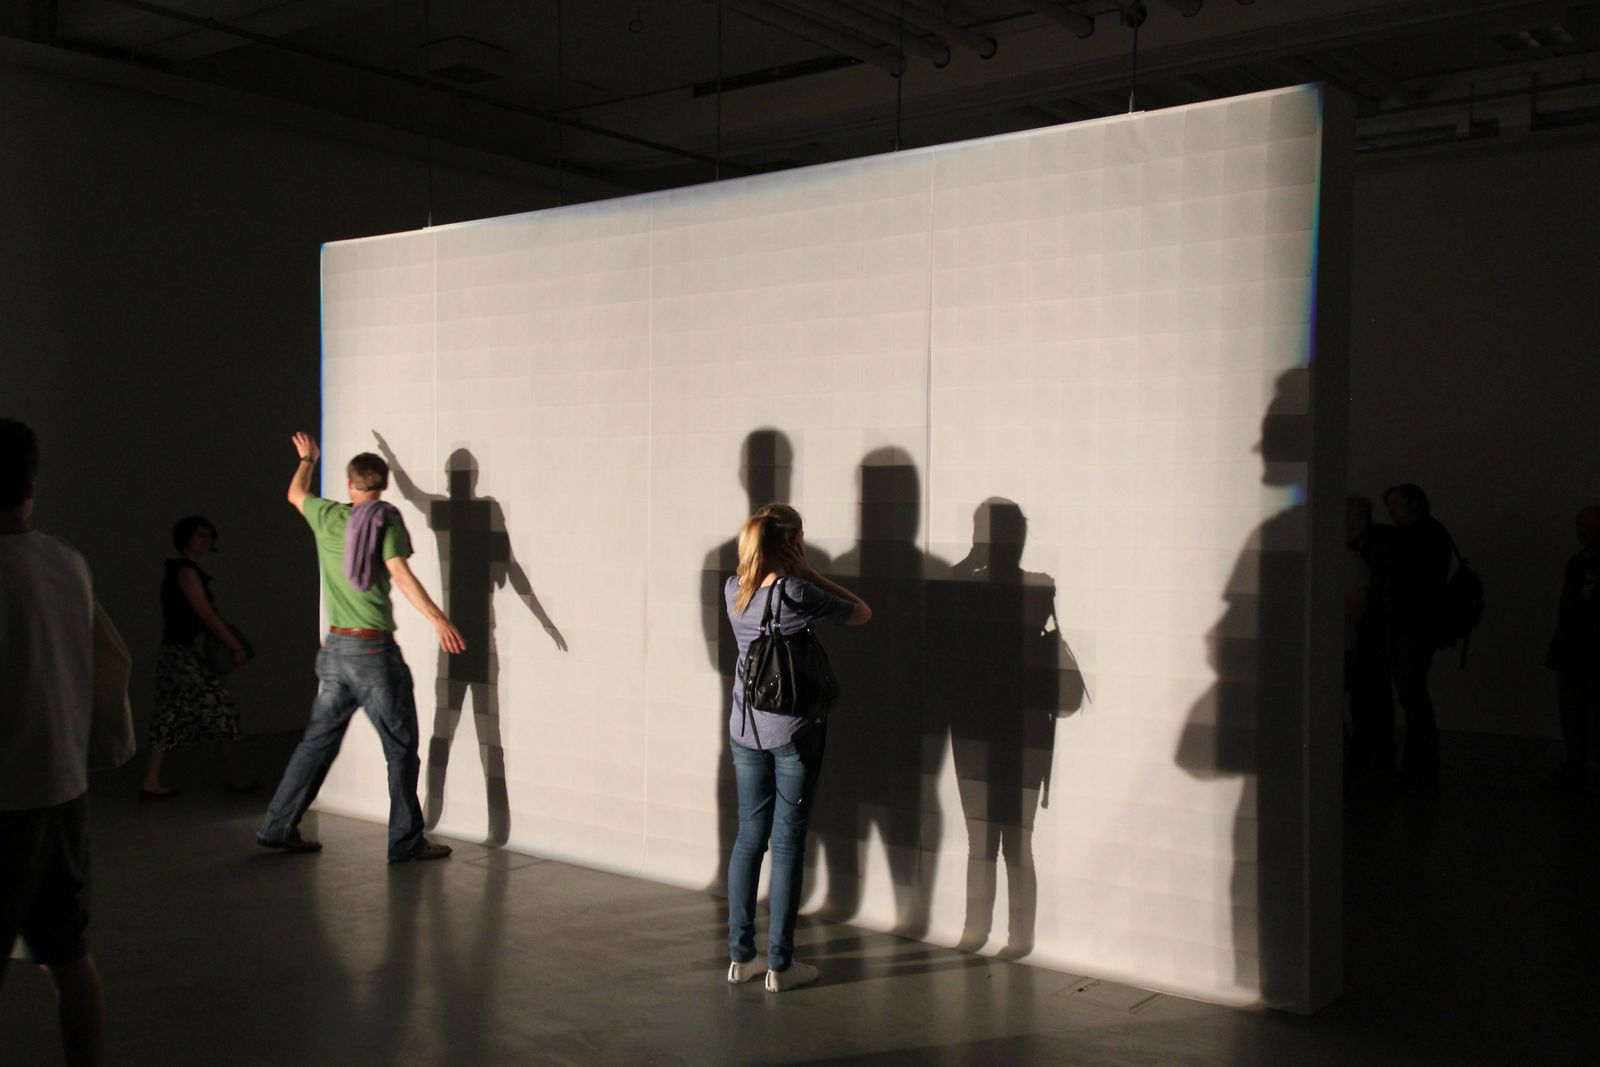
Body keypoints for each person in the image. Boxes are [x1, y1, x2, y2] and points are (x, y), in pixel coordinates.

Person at [257, 433, 465, 862]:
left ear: (350, 484)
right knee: (400, 747)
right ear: (381, 485)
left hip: (335, 649)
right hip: (373, 653)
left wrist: (307, 458)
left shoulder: (327, 514)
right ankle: (406, 842)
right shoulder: (385, 520)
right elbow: (401, 576)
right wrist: (439, 619)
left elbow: (295, 492)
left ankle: (278, 825)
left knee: (315, 744)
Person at [1, 418, 129, 1066]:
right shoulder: (64, 561)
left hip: (7, 797)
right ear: (30, 483)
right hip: (63, 788)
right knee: (69, 953)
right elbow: (110, 662)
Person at [723, 504, 869, 992]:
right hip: (792, 732)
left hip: (745, 730)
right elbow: (862, 613)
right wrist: (806, 571)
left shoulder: (731, 589)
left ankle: (741, 957)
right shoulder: (798, 591)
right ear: (795, 543)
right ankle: (780, 966)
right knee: (786, 844)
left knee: (748, 840)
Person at [138, 515, 255, 799]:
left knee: (168, 714)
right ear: (186, 538)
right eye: (199, 535)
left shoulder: (182, 570)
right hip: (184, 656)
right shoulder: (187, 572)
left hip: (175, 654)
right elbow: (206, 615)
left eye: (208, 536)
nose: (205, 540)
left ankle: (151, 781)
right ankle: (233, 776)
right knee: (222, 710)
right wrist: (236, 646)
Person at [1379, 483, 1453, 788]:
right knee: (1413, 696)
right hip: (1414, 627)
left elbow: (1412, 584)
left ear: (1414, 504)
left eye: (1395, 504)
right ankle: (1420, 768)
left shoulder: (1420, 537)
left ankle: (1419, 769)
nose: (1391, 510)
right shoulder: (1430, 534)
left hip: (1413, 627)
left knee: (1412, 696)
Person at [1542, 505, 1600, 790]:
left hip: (1586, 652)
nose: (1581, 530)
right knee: (1573, 715)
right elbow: (1568, 610)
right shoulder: (1576, 564)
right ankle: (1577, 769)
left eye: (1587, 525)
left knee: (1583, 715)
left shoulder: (1579, 564)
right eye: (1579, 524)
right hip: (1573, 652)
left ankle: (1581, 770)